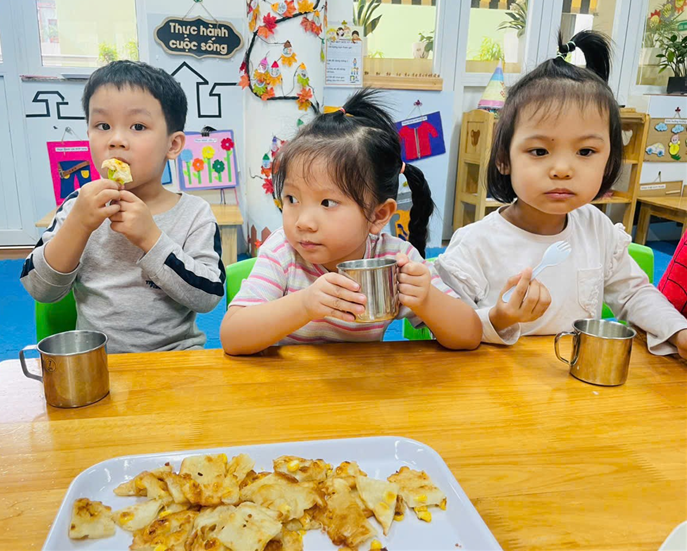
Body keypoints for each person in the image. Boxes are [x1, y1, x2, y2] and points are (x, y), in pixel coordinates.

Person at [434, 31, 687, 357]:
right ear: (503, 159)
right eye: (539, 151)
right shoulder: (476, 244)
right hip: (492, 382)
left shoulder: (597, 229)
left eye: (585, 151)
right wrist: (498, 318)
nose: (563, 169)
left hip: (574, 378)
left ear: (609, 160)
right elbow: (447, 324)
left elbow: (634, 293)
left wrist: (678, 331)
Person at [220, 89, 481, 355]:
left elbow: (469, 335)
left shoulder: (394, 258)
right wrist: (303, 305)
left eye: (327, 203)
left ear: (378, 215)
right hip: (292, 379)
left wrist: (428, 299)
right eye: (292, 199)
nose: (303, 222)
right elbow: (232, 336)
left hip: (363, 379)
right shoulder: (283, 253)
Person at [21, 61, 225, 353]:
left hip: (176, 358)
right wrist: (78, 225)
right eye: (102, 126)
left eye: (138, 126)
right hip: (99, 360)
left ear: (173, 145)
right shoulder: (77, 206)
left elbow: (208, 297)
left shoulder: (194, 213)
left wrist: (151, 239)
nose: (116, 140)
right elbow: (40, 289)